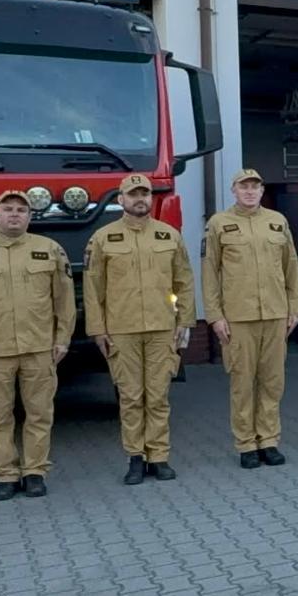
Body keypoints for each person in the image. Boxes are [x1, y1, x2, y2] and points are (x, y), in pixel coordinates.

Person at [0, 190, 74, 501]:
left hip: (39, 348)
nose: (15, 214)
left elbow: (65, 301)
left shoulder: (49, 251)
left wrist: (62, 339)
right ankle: (6, 474)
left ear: (30, 216)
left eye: (21, 209)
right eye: (8, 209)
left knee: (39, 413)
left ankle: (35, 472)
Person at [83, 173, 195, 485]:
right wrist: (98, 329)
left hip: (162, 328)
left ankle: (159, 457)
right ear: (121, 200)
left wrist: (185, 321)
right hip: (122, 330)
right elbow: (93, 289)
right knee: (131, 397)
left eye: (144, 194)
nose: (140, 199)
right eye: (133, 194)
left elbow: (183, 283)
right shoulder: (103, 239)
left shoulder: (168, 236)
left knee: (158, 396)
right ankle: (135, 458)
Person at [202, 169, 298, 470]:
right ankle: (246, 443)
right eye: (243, 187)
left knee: (273, 382)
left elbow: (291, 268)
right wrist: (215, 316)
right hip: (238, 318)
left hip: (274, 314)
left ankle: (269, 440)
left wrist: (294, 308)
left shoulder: (277, 221)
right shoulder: (219, 224)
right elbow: (210, 273)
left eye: (255, 187)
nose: (249, 192)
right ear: (233, 190)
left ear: (261, 191)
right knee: (242, 383)